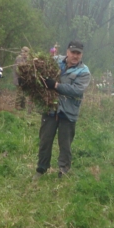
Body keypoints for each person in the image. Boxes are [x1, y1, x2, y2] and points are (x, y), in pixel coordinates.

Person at [33, 40, 91, 181]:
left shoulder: (84, 72)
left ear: (81, 55)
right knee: (45, 140)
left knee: (65, 144)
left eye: (78, 53)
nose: (75, 56)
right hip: (51, 109)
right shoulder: (56, 61)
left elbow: (77, 90)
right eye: (73, 52)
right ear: (67, 52)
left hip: (68, 112)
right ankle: (41, 169)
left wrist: (56, 85)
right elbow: (40, 66)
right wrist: (34, 63)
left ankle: (63, 171)